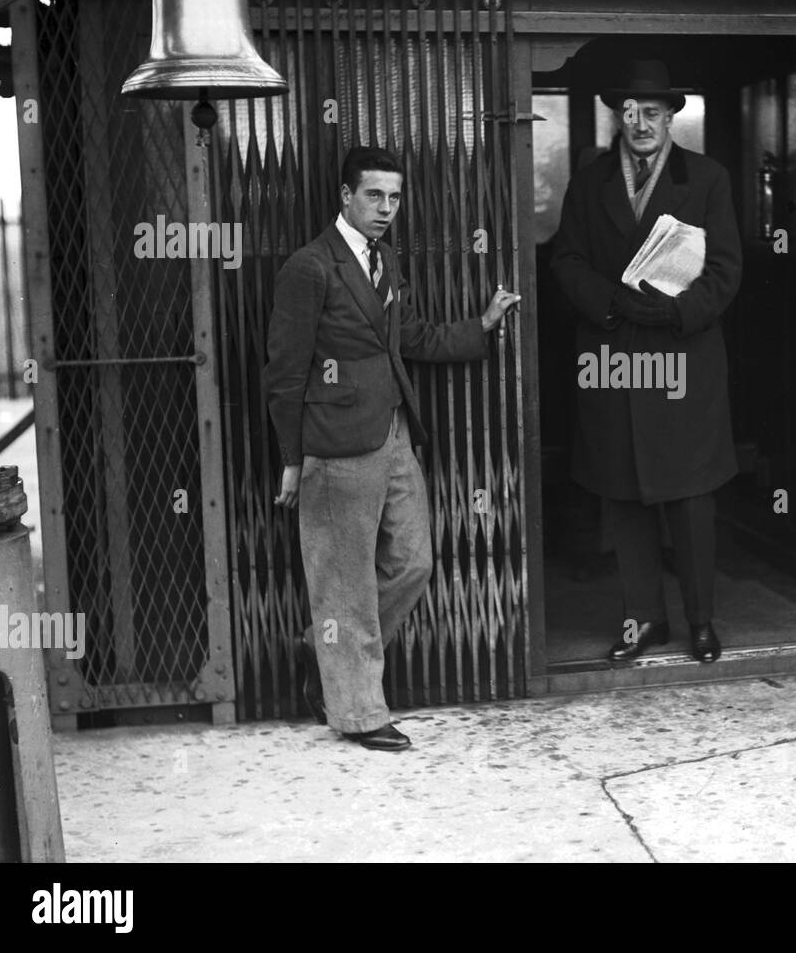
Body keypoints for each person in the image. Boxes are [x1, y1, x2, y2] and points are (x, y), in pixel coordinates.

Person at [265, 146, 519, 750]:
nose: (386, 208)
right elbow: (284, 370)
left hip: (393, 431)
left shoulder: (383, 258)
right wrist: (293, 458)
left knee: (413, 563)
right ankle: (357, 712)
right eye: (374, 195)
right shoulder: (310, 267)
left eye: (395, 197)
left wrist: (479, 327)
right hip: (335, 443)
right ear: (345, 197)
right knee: (343, 583)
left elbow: (407, 336)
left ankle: (320, 644)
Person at [551, 59, 742, 663]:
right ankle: (644, 623)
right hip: (613, 361)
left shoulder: (707, 178)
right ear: (619, 116)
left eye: (652, 113)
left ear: (669, 117)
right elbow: (566, 261)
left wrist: (678, 313)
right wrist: (611, 304)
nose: (641, 123)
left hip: (684, 365)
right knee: (624, 496)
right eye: (631, 113)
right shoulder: (589, 182)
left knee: (690, 500)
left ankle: (701, 622)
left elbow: (726, 270)